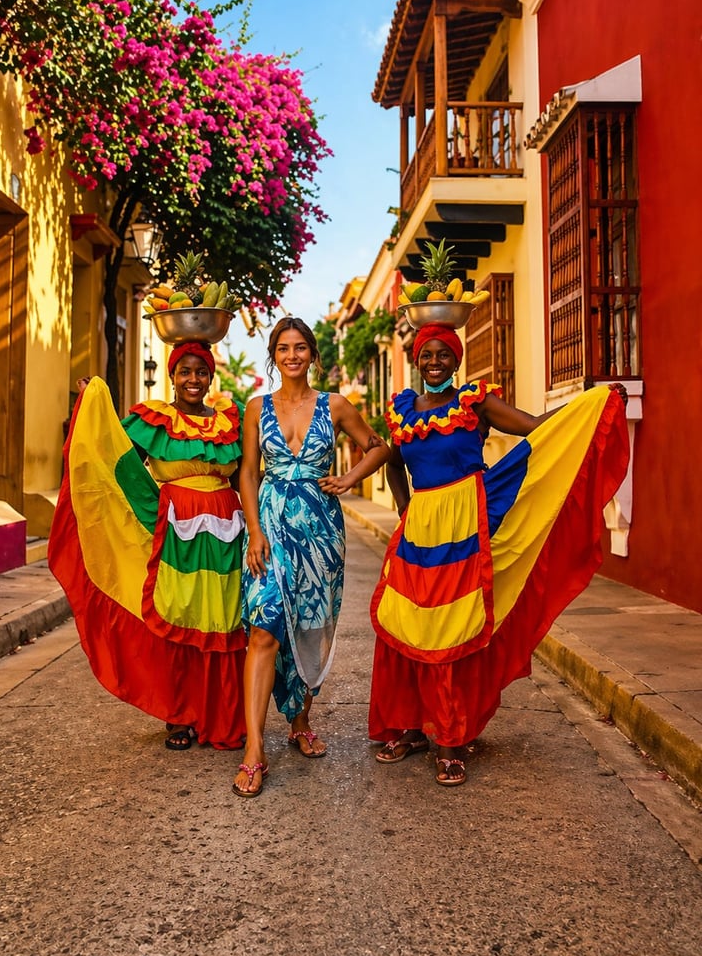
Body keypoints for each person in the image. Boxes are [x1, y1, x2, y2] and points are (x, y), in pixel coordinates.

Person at [368, 322, 629, 787]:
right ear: (415, 359)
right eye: (426, 355)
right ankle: (410, 727)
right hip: (419, 529)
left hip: (466, 525)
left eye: (442, 355)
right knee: (404, 622)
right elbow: (393, 460)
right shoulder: (402, 409)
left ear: (456, 359)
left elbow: (533, 429)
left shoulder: (475, 402)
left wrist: (586, 407)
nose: (433, 363)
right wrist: (406, 509)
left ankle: (449, 739)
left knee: (451, 624)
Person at [48, 341, 247, 752]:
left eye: (201, 372)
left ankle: (222, 715)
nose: (193, 380)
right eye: (185, 372)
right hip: (175, 535)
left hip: (228, 531)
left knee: (226, 620)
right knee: (179, 615)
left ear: (211, 377)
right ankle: (179, 716)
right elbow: (115, 458)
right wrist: (92, 407)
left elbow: (249, 473)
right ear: (173, 377)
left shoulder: (232, 420)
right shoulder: (155, 419)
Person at [232, 317, 391, 797]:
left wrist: (349, 479)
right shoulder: (257, 407)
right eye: (283, 348)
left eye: (301, 347)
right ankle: (255, 749)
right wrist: (254, 531)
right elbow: (247, 473)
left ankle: (300, 721)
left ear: (313, 354)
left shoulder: (335, 405)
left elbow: (378, 447)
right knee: (264, 627)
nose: (292, 355)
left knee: (308, 627)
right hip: (271, 528)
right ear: (273, 356)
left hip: (322, 534)